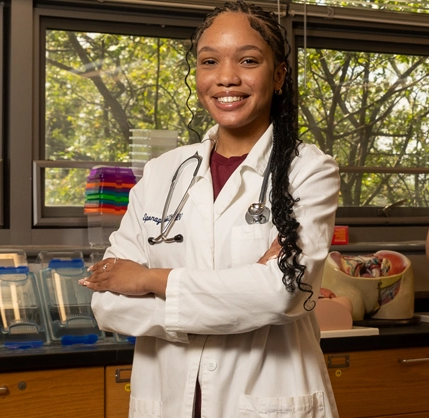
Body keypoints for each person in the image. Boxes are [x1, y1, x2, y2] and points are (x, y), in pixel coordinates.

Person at [83, 2, 340, 416]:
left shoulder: (308, 170)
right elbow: (108, 303)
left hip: (267, 403)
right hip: (166, 402)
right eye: (209, 61)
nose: (226, 77)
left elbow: (281, 293)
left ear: (277, 76)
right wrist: (240, 294)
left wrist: (148, 278)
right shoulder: (162, 173)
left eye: (248, 60)